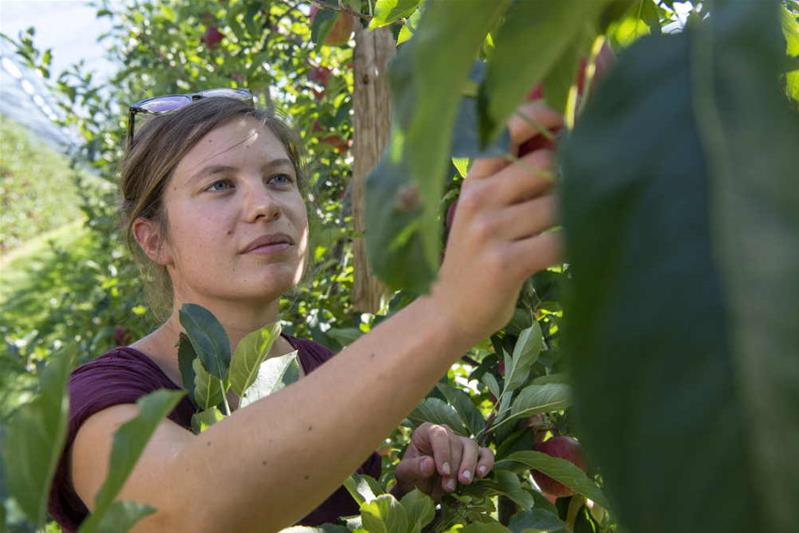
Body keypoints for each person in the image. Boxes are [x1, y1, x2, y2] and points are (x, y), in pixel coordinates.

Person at [47, 88, 562, 532]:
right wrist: (448, 311)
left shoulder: (322, 370)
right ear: (154, 239)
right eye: (220, 185)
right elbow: (182, 514)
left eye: (278, 179)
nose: (264, 204)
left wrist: (407, 499)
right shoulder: (98, 398)